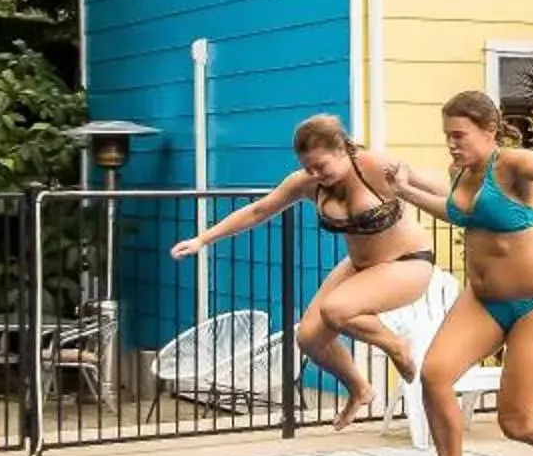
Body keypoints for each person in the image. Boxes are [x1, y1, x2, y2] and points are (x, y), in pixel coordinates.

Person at [380, 90, 533, 456]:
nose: (452, 143)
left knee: (515, 422)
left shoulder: (511, 165)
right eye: (447, 136)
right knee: (435, 375)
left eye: (459, 135)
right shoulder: (461, 174)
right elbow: (456, 211)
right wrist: (404, 188)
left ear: (489, 131)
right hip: (482, 300)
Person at [169, 113, 433, 429]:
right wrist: (202, 239)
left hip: (408, 261)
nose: (314, 173)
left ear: (342, 149)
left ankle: (397, 346)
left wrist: (477, 207)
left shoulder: (376, 167)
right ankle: (360, 389)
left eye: (320, 166)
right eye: (308, 167)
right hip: (360, 267)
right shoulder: (307, 182)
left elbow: (438, 187)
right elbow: (258, 211)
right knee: (309, 338)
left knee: (336, 310)